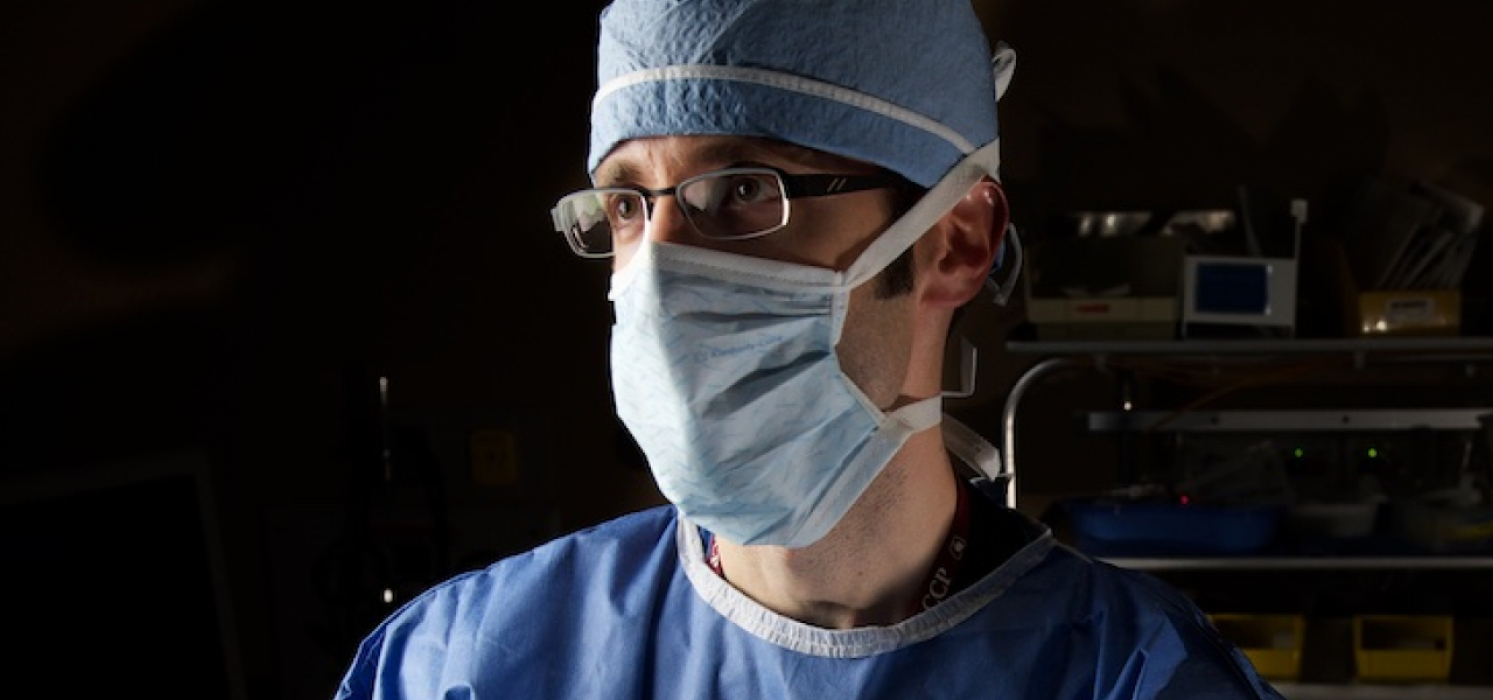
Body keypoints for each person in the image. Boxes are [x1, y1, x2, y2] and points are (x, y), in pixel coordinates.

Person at [332, 0, 1286, 697]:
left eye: (744, 191)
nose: (660, 273)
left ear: (954, 241)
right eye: (628, 204)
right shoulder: (466, 664)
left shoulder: (1133, 679)